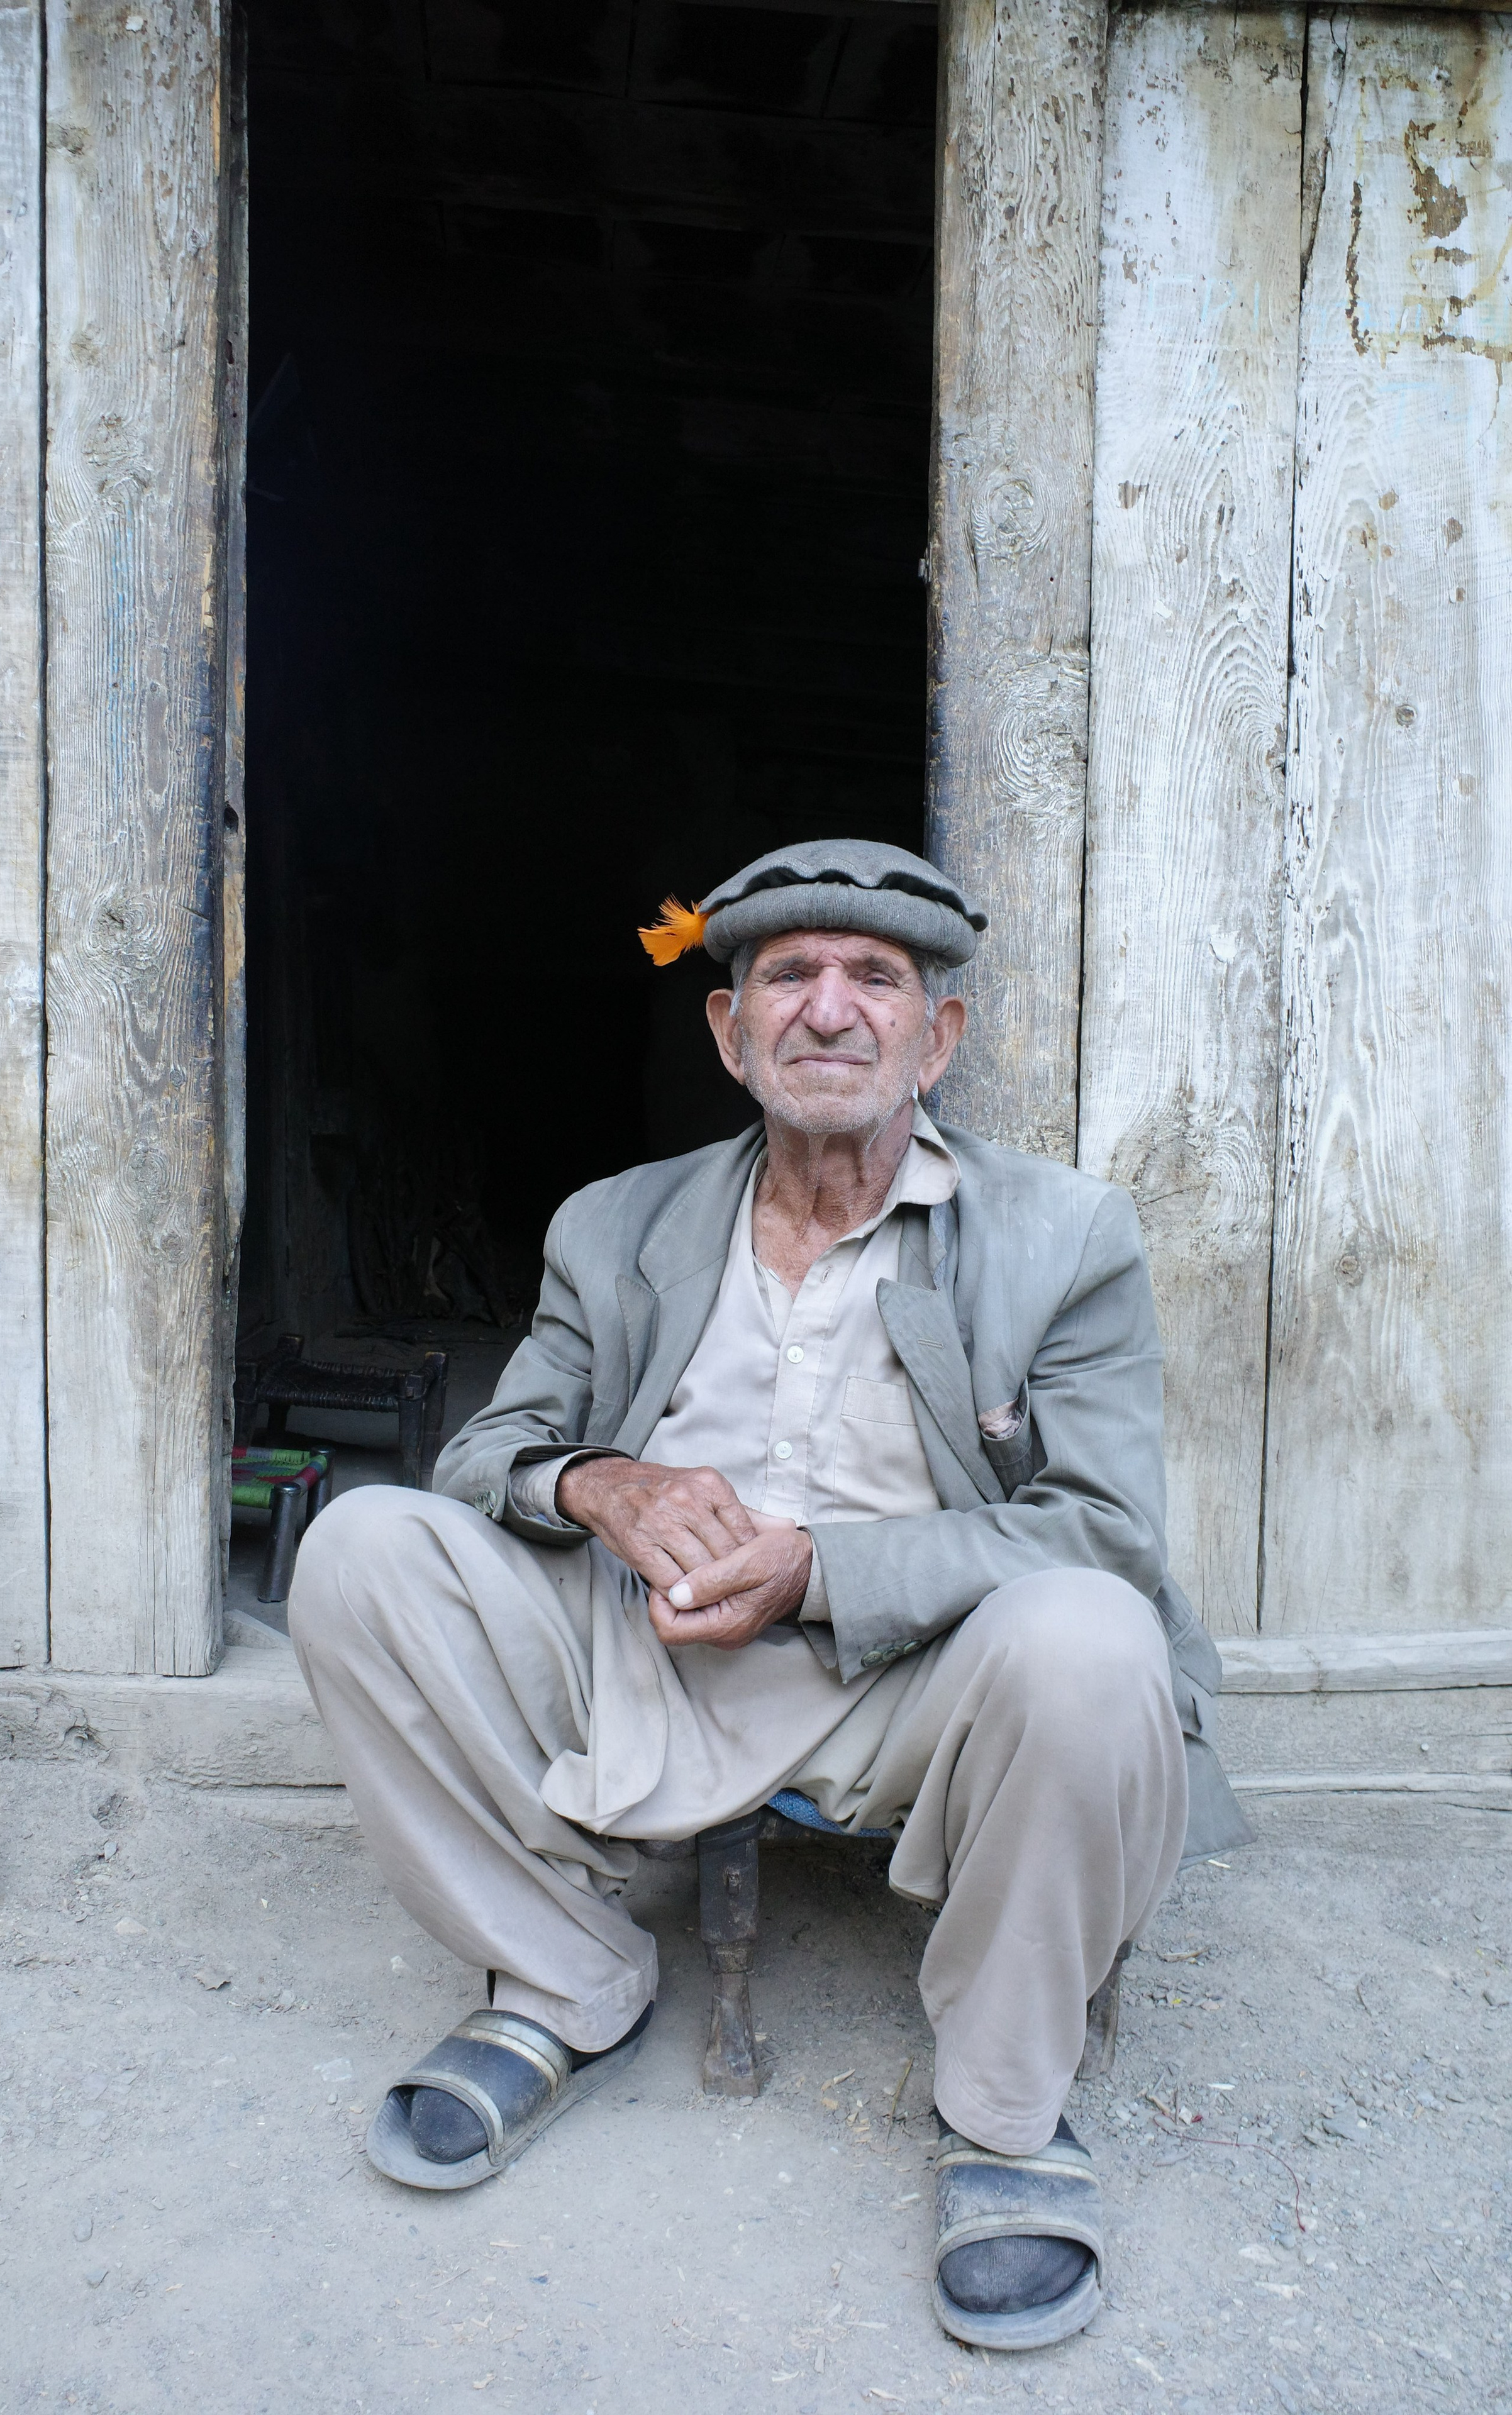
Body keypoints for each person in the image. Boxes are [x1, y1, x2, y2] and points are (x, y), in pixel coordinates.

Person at [289, 838, 1248, 2352]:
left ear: (936, 1037)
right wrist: (606, 1487)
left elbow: (1103, 1530)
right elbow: (494, 1448)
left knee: (1089, 1634)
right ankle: (560, 1983)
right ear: (730, 1035)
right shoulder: (614, 1221)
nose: (828, 1010)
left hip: (913, 1671)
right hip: (643, 1649)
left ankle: (1004, 2114)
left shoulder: (1063, 1235)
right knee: (358, 1549)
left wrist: (819, 1565)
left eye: (875, 979)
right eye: (786, 977)